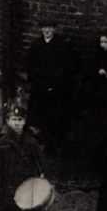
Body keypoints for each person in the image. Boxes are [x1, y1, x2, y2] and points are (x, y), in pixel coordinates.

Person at [25, 19, 78, 149]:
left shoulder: (61, 45)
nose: (46, 31)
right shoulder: (36, 44)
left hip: (54, 87)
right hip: (39, 86)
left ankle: (51, 141)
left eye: (49, 27)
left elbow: (65, 67)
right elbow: (29, 63)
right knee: (37, 113)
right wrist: (34, 79)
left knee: (52, 114)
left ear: (54, 29)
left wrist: (54, 83)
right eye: (44, 27)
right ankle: (38, 139)